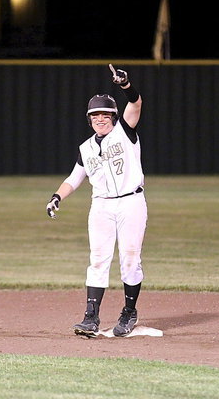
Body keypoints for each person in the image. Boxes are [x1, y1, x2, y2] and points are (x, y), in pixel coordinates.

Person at [46, 64, 147, 337]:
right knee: (98, 259)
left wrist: (126, 86)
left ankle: (129, 312)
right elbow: (74, 178)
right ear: (88, 119)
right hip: (101, 205)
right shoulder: (86, 148)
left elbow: (136, 104)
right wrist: (57, 197)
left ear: (114, 117)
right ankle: (90, 318)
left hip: (130, 202)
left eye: (105, 114)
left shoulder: (125, 131)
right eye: (95, 115)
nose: (100, 118)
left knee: (130, 258)